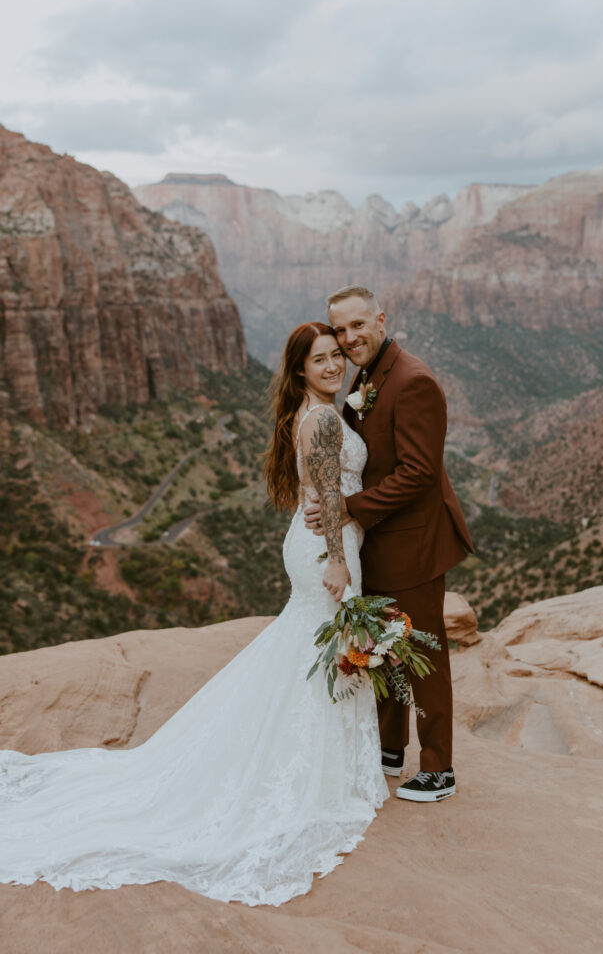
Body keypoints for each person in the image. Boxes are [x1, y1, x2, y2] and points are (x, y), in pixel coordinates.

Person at [0, 322, 388, 907]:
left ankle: (297, 763)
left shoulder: (309, 411)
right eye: (321, 359)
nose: (334, 365)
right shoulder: (326, 417)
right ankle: (308, 778)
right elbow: (330, 493)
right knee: (320, 647)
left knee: (304, 649)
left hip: (315, 543)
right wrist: (336, 558)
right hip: (326, 550)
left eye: (338, 355)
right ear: (301, 369)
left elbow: (322, 487)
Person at [304, 286, 473, 802]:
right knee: (388, 648)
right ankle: (391, 748)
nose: (350, 338)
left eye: (359, 326)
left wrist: (348, 509)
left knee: (424, 650)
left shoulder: (413, 380)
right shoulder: (369, 375)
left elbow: (419, 474)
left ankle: (439, 769)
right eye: (341, 330)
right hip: (379, 543)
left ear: (380, 320)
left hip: (415, 544)